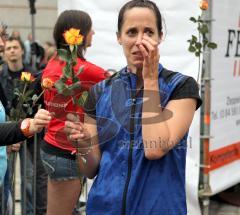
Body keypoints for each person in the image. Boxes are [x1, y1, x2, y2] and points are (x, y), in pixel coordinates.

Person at [65, 0, 202, 214]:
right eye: (131, 32)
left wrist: (150, 80)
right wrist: (83, 145)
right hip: (104, 208)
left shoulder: (181, 86)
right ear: (119, 37)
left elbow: (154, 148)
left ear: (160, 37)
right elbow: (89, 169)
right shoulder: (100, 92)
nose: (140, 41)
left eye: (148, 32)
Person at [40, 10, 106, 215]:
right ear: (79, 34)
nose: (93, 32)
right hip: (67, 152)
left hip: (51, 146)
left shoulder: (52, 63)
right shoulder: (87, 70)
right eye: (89, 29)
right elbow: (117, 88)